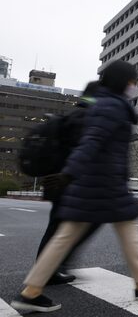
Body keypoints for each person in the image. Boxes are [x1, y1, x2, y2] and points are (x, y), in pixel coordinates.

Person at [11, 60, 138, 313]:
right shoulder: (111, 106)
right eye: (132, 81)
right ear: (123, 82)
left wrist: (72, 174)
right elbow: (91, 142)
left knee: (82, 235)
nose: (134, 86)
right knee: (75, 236)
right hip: (102, 184)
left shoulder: (104, 104)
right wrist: (69, 173)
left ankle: (32, 291)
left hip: (99, 183)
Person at [36, 81, 103, 286]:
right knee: (81, 224)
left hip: (57, 181)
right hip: (70, 182)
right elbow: (84, 153)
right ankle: (49, 270)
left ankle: (49, 269)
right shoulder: (86, 119)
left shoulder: (71, 116)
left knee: (56, 227)